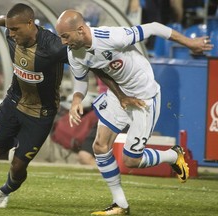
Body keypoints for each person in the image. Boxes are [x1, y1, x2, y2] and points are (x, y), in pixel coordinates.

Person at [0, 3, 144, 209]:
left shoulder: (54, 46)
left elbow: (90, 65)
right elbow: (6, 19)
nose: (11, 34)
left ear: (30, 24)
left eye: (15, 29)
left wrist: (120, 94)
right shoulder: (12, 31)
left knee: (18, 166)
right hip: (13, 102)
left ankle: (5, 190)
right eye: (9, 29)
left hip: (41, 114)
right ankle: (14, 143)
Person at [55, 10, 213, 215]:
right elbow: (80, 79)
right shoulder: (74, 51)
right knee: (100, 146)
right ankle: (120, 204)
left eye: (65, 36)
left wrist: (189, 43)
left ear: (80, 29)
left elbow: (155, 26)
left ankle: (173, 155)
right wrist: (77, 98)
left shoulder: (112, 36)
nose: (63, 41)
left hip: (144, 96)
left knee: (131, 161)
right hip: (117, 95)